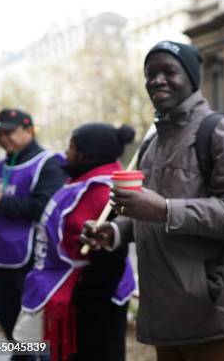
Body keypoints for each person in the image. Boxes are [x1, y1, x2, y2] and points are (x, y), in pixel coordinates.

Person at [80, 41, 224, 361]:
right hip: (165, 315)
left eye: (169, 71)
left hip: (214, 315)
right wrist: (113, 233)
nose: (157, 80)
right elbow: (145, 213)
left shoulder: (222, 132)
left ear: (192, 78)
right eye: (150, 74)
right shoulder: (151, 143)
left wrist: (166, 209)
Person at [19, 123, 137, 361]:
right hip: (62, 289)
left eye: (71, 147)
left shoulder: (107, 193)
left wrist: (81, 302)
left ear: (86, 155)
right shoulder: (80, 180)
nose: (65, 152)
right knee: (28, 348)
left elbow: (111, 258)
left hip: (93, 304)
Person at [0, 108, 66, 345]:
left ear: (29, 130)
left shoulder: (48, 163)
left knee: (34, 329)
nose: (3, 138)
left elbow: (45, 208)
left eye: (8, 131)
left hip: (31, 259)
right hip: (0, 256)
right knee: (8, 321)